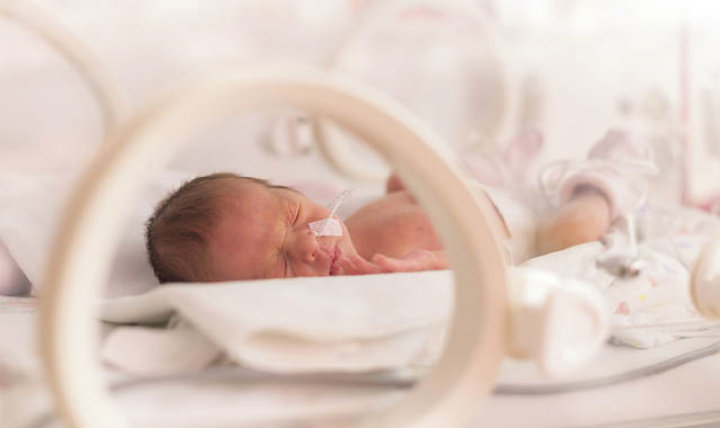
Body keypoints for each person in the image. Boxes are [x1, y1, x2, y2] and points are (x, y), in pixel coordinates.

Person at [145, 130, 646, 284]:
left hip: (471, 193)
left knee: (401, 177)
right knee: (572, 235)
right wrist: (434, 268)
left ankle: (496, 164)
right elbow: (488, 274)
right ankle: (603, 179)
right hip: (525, 228)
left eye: (295, 216)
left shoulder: (338, 214)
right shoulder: (377, 275)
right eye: (279, 264)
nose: (311, 244)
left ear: (293, 193)